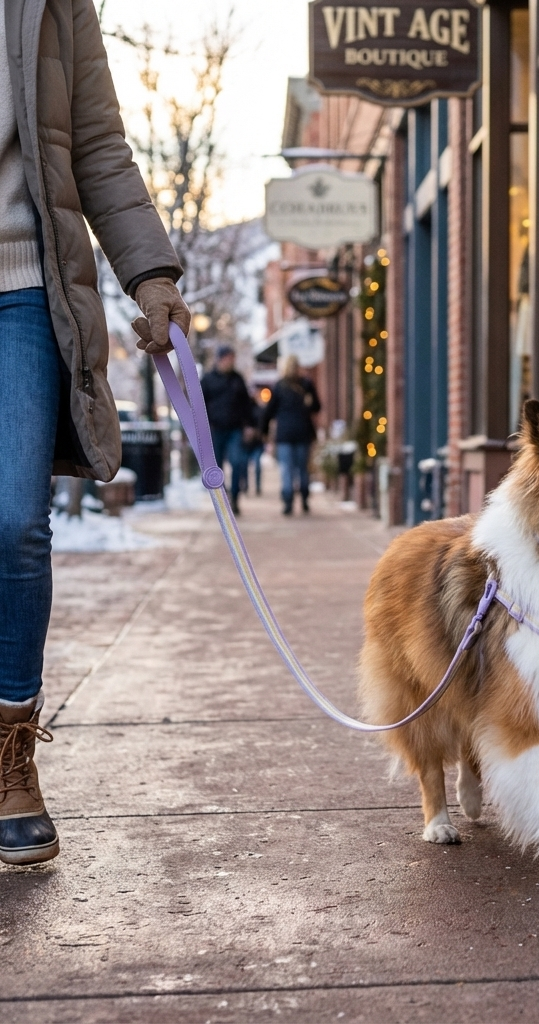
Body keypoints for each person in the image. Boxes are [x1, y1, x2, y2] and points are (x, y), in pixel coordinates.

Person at [1, 0, 190, 865]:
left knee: (15, 523)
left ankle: (10, 752)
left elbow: (100, 145)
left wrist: (150, 274)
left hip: (23, 292)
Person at [261, 355, 321, 515]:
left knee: (287, 469)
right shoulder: (306, 384)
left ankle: (288, 501)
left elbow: (269, 412)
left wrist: (264, 431)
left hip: (285, 434)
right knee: (302, 468)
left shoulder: (279, 386)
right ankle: (304, 498)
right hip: (302, 432)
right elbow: (317, 406)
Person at [200, 344, 253, 514]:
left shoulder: (238, 379)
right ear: (220, 359)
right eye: (229, 358)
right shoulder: (208, 379)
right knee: (216, 468)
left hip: (235, 429)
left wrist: (249, 425)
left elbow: (247, 404)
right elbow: (200, 405)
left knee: (237, 462)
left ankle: (235, 497)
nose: (232, 361)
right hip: (215, 429)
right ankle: (223, 498)